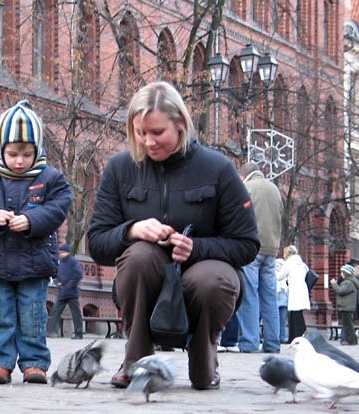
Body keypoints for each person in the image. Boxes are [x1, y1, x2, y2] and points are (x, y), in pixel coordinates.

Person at [87, 81, 259, 391]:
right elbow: (97, 243)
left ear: (180, 124)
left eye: (157, 132)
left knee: (211, 280)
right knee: (139, 256)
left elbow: (247, 244)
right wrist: (132, 231)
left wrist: (196, 248)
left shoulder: (218, 169)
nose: (148, 142)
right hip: (144, 277)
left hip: (205, 275)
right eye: (141, 133)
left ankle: (204, 360)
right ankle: (135, 361)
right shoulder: (120, 169)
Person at [0, 100, 72, 385]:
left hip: (34, 264)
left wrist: (33, 220)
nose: (20, 161)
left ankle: (34, 362)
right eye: (13, 154)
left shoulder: (50, 177)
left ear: (38, 150)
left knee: (33, 315)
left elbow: (60, 207)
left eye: (26, 154)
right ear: (0, 148)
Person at [235, 162, 284, 353]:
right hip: (271, 250)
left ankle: (250, 341)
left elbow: (238, 216)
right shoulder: (274, 189)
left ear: (243, 175)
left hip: (251, 249)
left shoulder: (245, 188)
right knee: (270, 297)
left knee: (249, 296)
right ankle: (273, 343)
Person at [46, 243, 84, 339]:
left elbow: (78, 275)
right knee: (55, 312)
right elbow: (56, 274)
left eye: (62, 252)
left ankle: (79, 333)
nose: (61, 254)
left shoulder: (73, 262)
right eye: (60, 252)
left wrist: (68, 286)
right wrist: (57, 282)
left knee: (76, 314)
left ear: (67, 252)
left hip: (71, 293)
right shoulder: (61, 262)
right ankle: (52, 332)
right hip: (62, 292)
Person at [277, 245, 310, 342]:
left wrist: (276, 272)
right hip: (302, 288)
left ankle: (297, 336)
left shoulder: (289, 263)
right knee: (297, 313)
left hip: (294, 289)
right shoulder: (301, 263)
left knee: (295, 315)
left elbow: (279, 277)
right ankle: (295, 336)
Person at [330, 264, 359, 345]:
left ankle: (351, 341)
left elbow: (340, 291)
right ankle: (352, 340)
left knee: (348, 325)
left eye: (342, 273)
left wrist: (334, 284)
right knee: (348, 324)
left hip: (346, 307)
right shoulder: (350, 282)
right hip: (347, 307)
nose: (341, 274)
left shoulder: (348, 283)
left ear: (346, 273)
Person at [275, 257, 289, 344]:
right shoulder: (272, 275)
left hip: (283, 302)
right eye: (276, 265)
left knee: (282, 321)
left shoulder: (284, 277)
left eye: (279, 265)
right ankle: (276, 337)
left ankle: (282, 337)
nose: (277, 267)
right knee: (276, 320)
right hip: (276, 301)